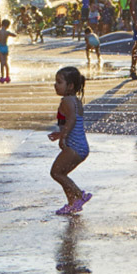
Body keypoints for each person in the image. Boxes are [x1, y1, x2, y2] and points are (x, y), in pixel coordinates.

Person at [47, 67, 92, 215]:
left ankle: (79, 195)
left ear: (70, 86)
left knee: (56, 173)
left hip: (75, 147)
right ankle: (72, 203)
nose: (55, 85)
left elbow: (71, 120)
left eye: (59, 82)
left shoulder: (67, 100)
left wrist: (62, 135)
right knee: (62, 174)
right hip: (80, 147)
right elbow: (68, 120)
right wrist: (63, 137)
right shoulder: (75, 100)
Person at [0, 19, 16, 83]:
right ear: (8, 26)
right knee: (6, 62)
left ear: (1, 24)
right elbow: (14, 35)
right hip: (5, 47)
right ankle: (7, 76)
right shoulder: (7, 32)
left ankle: (2, 77)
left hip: (0, 48)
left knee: (2, 63)